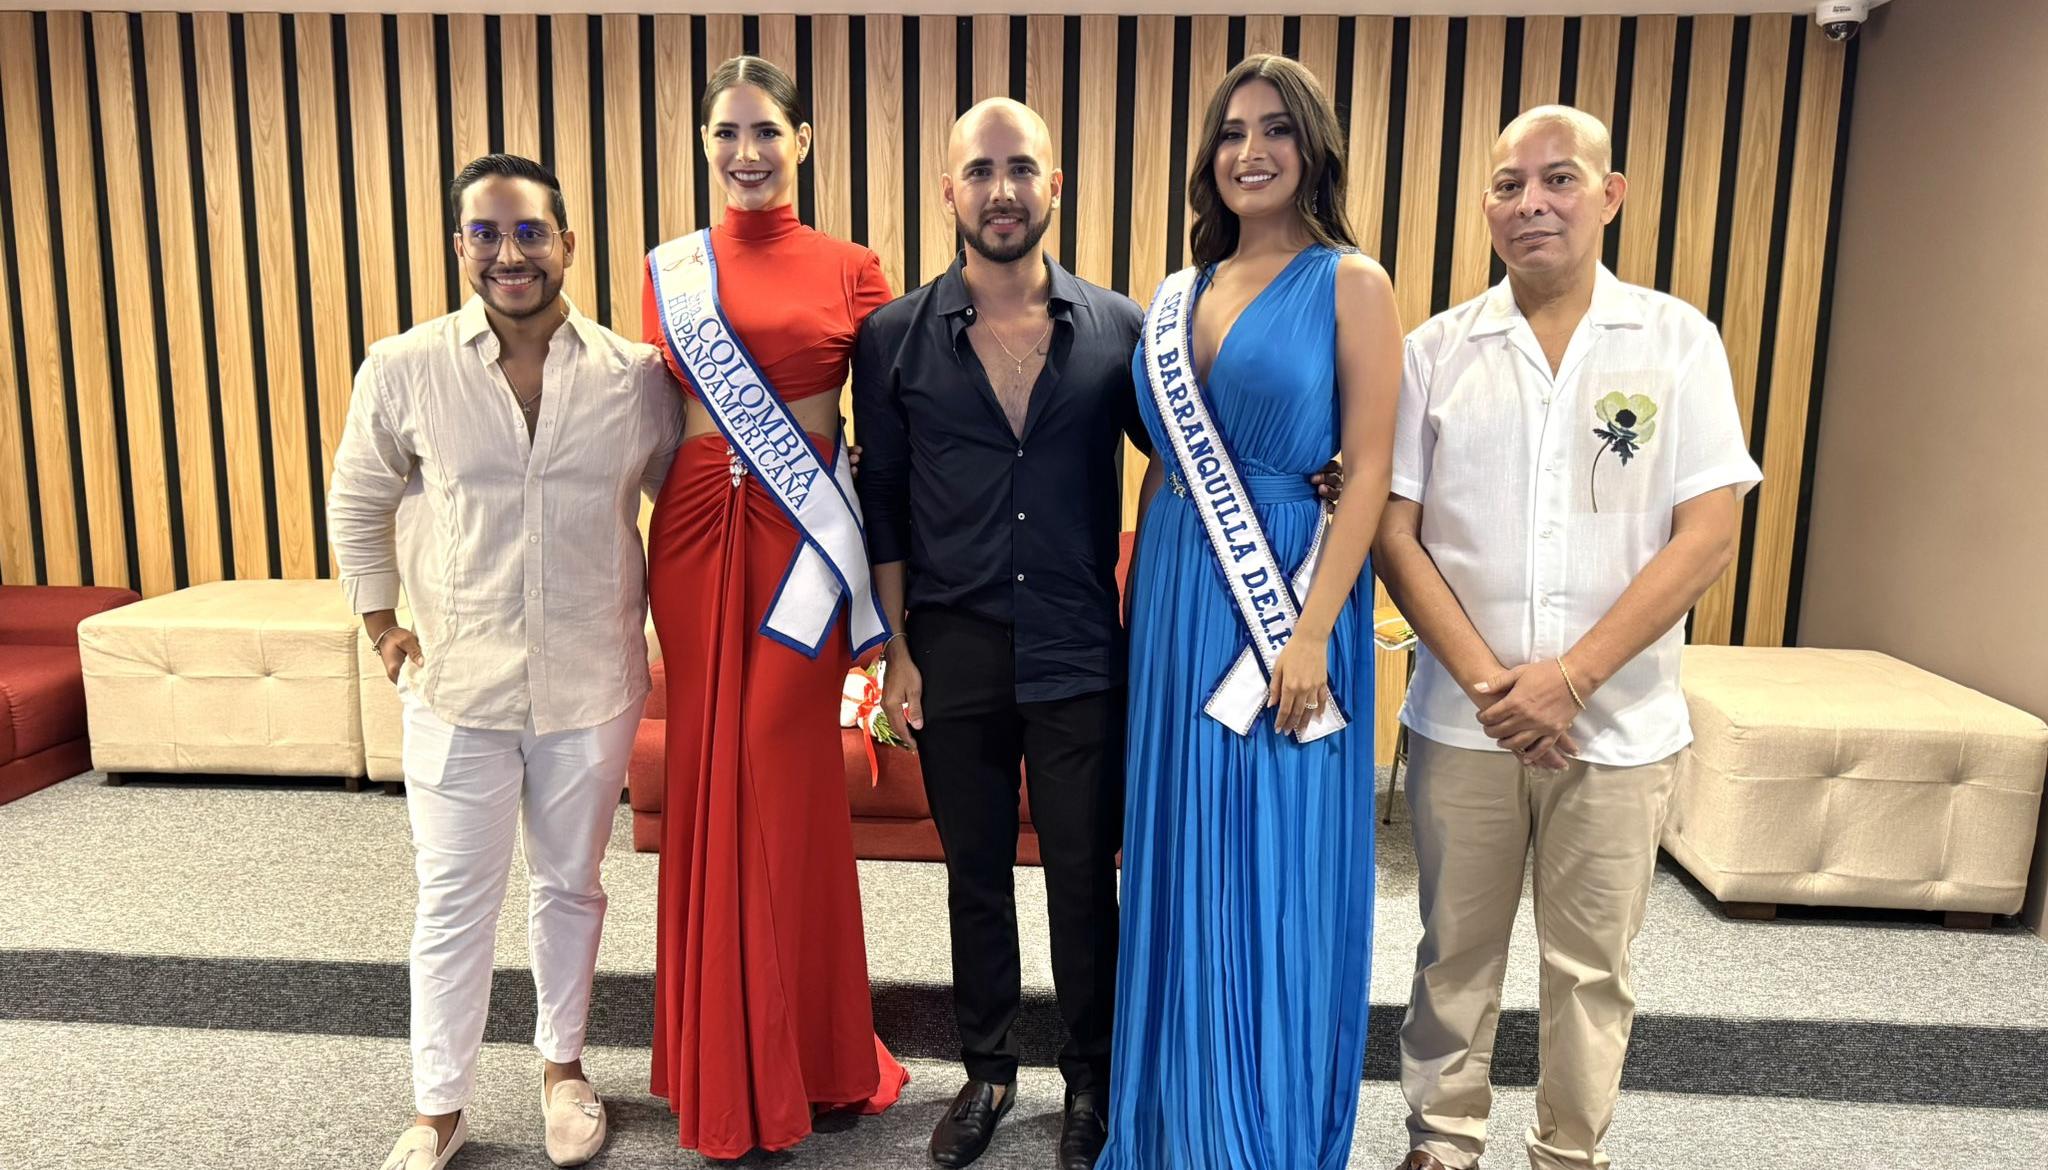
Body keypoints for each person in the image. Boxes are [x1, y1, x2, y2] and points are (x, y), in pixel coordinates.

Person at [1375, 105, 1761, 1170]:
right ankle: (1441, 1143)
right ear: (1486, 205)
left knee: (1589, 968)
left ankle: (1567, 1153)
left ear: (1609, 193)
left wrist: (1571, 681)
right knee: (1452, 951)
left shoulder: (1675, 339)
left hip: (1620, 726)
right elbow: (1393, 533)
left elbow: (1707, 533)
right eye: (1507, 185)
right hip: (1464, 722)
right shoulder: (1433, 352)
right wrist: (1500, 687)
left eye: (1556, 180)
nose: (1530, 203)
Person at [329, 153, 679, 1170]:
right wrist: (381, 627)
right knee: (454, 898)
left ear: (567, 243)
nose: (508, 253)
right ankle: (438, 1106)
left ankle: (562, 1070)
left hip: (591, 681)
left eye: (528, 232)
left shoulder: (633, 378)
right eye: (485, 234)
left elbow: (686, 504)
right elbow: (357, 501)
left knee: (570, 885)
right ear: (460, 248)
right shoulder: (405, 366)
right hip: (456, 686)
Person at [1098, 54, 1401, 1170]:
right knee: (1179, 853)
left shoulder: (1350, 281)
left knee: (1272, 856)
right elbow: (1166, 457)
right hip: (1180, 588)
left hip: (1290, 590)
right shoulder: (1178, 292)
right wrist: (1146, 603)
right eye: (1230, 133)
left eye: (1274, 130)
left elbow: (1366, 469)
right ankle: (1174, 1117)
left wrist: (1315, 631)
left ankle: (1257, 1132)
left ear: (1309, 147)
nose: (1249, 151)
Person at [853, 97, 1137, 1170]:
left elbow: (1197, 455)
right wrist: (895, 650)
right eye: (979, 170)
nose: (1002, 188)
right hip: (951, 643)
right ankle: (984, 1070)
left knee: (1078, 873)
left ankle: (1088, 1082)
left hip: (1076, 647)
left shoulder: (1119, 327)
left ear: (1054, 187)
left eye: (1022, 168)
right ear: (949, 192)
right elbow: (881, 495)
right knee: (972, 870)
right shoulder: (891, 338)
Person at [639, 55, 906, 1160]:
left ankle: (810, 1055)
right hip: (699, 534)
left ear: (803, 140)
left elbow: (894, 422)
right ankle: (718, 1060)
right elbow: (648, 416)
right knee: (709, 771)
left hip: (803, 541)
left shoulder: (852, 267)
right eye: (724, 135)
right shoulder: (669, 270)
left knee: (782, 779)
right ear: (704, 146)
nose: (744, 153)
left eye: (764, 131)